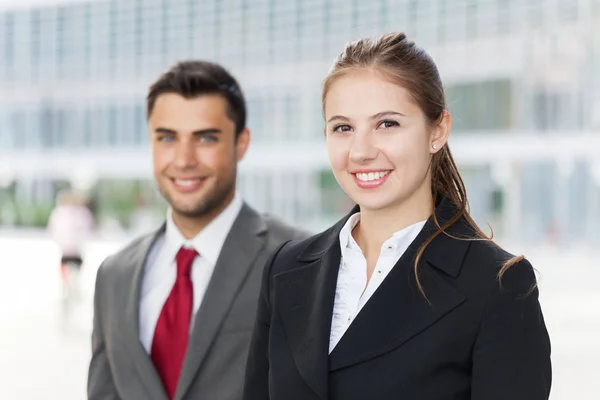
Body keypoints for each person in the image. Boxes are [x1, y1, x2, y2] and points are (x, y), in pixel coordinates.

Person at [243, 33, 551, 400]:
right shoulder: (286, 269)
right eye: (343, 127)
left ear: (438, 130)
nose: (360, 151)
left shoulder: (498, 286)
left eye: (387, 124)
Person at [88, 61, 309, 400]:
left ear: (241, 143)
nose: (184, 159)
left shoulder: (300, 260)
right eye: (167, 138)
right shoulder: (114, 274)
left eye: (205, 138)